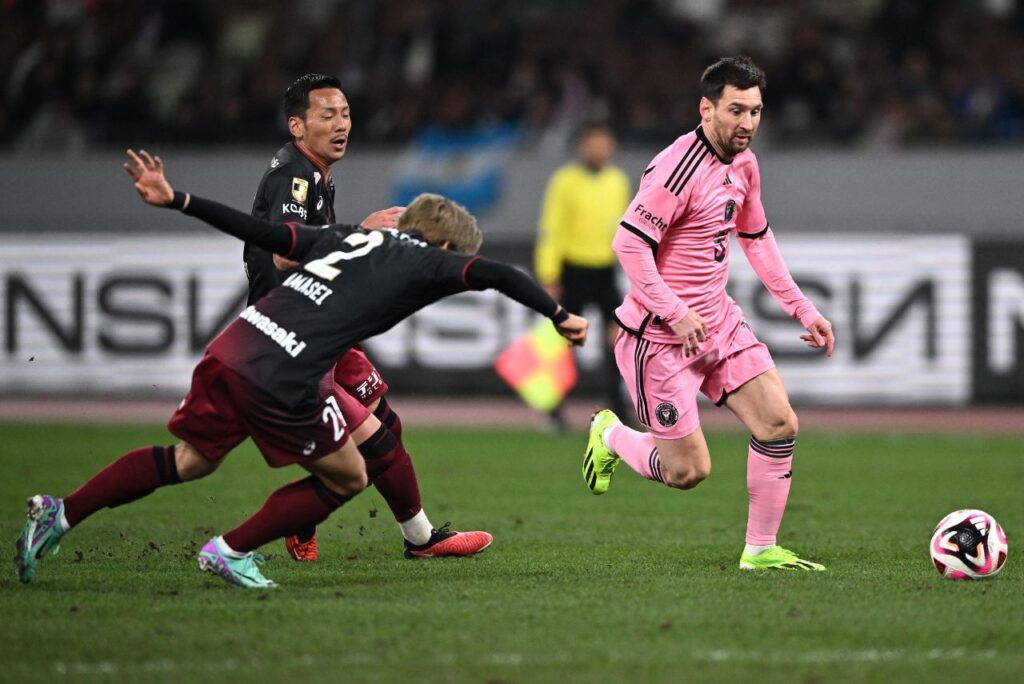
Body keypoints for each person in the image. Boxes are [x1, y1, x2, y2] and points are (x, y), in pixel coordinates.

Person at [15, 149, 588, 589]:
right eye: (454, 254)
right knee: (348, 476)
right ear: (441, 242)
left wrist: (177, 200)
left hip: (236, 344)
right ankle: (231, 550)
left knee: (191, 460)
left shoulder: (345, 237)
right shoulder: (427, 260)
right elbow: (499, 275)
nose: (455, 265)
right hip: (285, 372)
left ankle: (60, 513)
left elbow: (262, 234)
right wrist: (559, 314)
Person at [582, 57, 835, 571]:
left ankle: (760, 550)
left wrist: (801, 308)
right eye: (736, 110)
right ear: (706, 108)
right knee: (688, 472)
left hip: (718, 322)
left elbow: (756, 238)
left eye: (756, 111)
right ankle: (609, 434)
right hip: (659, 337)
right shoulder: (676, 168)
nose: (747, 123)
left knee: (779, 422)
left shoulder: (745, 164)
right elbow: (628, 246)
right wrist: (675, 312)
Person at [245, 73, 490, 562]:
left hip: (322, 324)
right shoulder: (293, 176)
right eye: (327, 115)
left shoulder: (312, 173)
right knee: (372, 444)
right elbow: (285, 255)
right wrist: (362, 231)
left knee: (384, 422)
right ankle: (421, 539)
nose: (341, 125)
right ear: (297, 125)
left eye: (346, 114)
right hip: (294, 338)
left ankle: (321, 521)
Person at [534, 121, 631, 429]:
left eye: (605, 142)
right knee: (563, 341)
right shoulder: (565, 181)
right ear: (582, 145)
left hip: (604, 270)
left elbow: (624, 229)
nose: (600, 149)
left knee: (620, 340)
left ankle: (618, 407)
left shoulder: (617, 181)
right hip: (573, 269)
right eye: (594, 142)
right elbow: (552, 228)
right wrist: (550, 275)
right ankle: (553, 408)